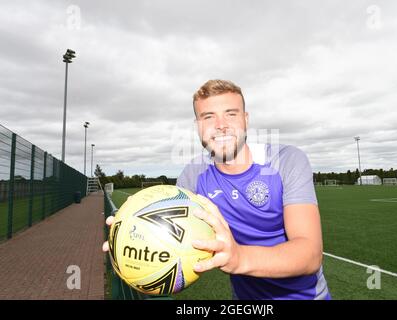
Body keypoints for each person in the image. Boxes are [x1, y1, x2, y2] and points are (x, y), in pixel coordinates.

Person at [103, 79, 331, 300]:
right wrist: (131, 236)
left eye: (231, 114)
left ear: (246, 119)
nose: (221, 125)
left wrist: (240, 258)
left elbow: (310, 254)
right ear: (198, 126)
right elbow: (171, 231)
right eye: (208, 116)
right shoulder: (193, 175)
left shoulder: (286, 161)